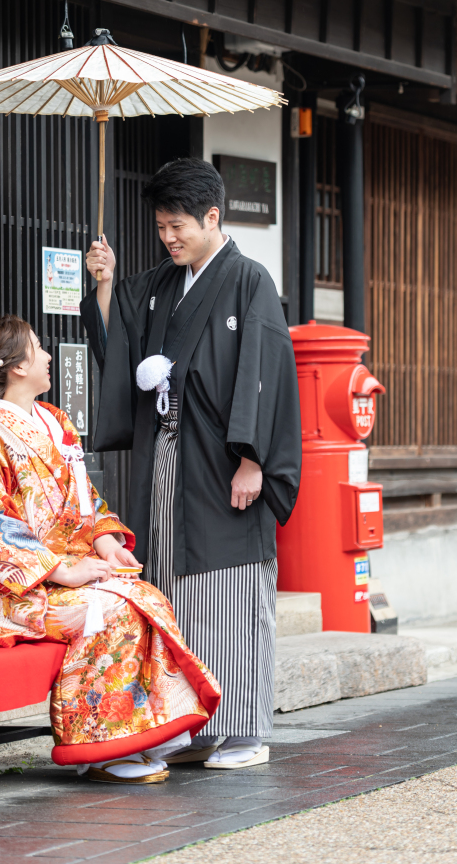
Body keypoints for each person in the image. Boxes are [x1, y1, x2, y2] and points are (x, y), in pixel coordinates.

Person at [0, 313, 220, 784]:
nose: (49, 356)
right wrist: (60, 571)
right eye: (38, 348)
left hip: (60, 570)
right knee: (106, 610)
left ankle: (136, 735)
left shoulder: (55, 421)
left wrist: (105, 542)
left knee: (142, 595)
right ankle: (98, 746)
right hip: (4, 590)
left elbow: (84, 498)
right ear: (17, 366)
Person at [81, 157, 302, 769]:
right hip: (167, 453)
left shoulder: (249, 279)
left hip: (224, 459)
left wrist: (253, 459)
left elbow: (265, 372)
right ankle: (187, 725)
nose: (169, 238)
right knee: (169, 585)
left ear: (212, 216)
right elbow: (121, 340)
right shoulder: (159, 284)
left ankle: (244, 732)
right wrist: (105, 283)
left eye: (177, 226)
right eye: (161, 228)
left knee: (229, 588)